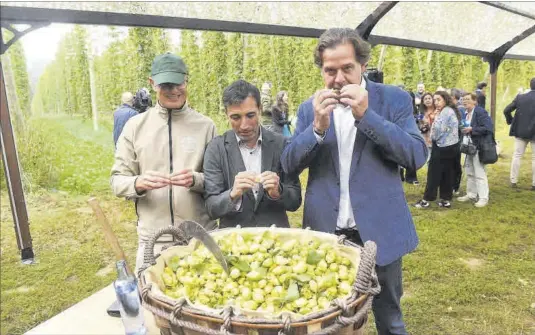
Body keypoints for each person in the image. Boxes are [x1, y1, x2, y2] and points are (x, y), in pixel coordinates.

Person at [280, 28, 427, 335]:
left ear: (362, 65)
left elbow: (415, 155)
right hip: (327, 233)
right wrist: (317, 129)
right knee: (328, 318)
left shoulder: (393, 99)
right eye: (329, 70)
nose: (338, 79)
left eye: (347, 68)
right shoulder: (310, 108)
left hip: (379, 231)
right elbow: (289, 164)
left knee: (390, 317)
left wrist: (367, 115)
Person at [111, 52, 217, 272]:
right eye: (166, 85)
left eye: (179, 83)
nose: (174, 90)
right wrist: (138, 183)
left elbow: (218, 181)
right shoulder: (135, 127)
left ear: (187, 80)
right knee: (153, 300)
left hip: (198, 237)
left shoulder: (206, 126)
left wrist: (195, 180)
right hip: (154, 240)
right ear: (152, 84)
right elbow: (117, 181)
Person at [203, 80, 301, 228]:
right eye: (236, 117)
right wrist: (232, 194)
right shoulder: (216, 149)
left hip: (276, 240)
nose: (244, 125)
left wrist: (278, 191)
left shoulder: (281, 144)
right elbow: (211, 208)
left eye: (250, 115)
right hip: (234, 242)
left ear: (260, 109)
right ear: (226, 114)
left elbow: (295, 201)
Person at [415, 91, 461, 209]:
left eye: (438, 99)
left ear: (445, 99)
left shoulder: (445, 112)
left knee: (433, 174)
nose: (436, 102)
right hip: (452, 146)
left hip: (441, 147)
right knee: (447, 173)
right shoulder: (451, 110)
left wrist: (435, 119)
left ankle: (426, 200)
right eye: (435, 100)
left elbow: (437, 132)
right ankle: (446, 199)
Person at [456, 92, 494, 206]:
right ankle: (471, 194)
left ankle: (483, 197)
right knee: (469, 171)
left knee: (479, 172)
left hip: (479, 146)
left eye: (467, 99)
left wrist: (472, 129)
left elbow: (488, 128)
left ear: (475, 101)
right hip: (468, 147)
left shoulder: (480, 112)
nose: (465, 101)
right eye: (463, 99)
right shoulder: (465, 113)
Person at [503, 77, 535, 190]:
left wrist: (510, 121)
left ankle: (513, 180)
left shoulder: (520, 97)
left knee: (517, 155)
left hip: (520, 130)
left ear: (530, 85)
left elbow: (506, 110)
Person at [451, 88, 466, 195]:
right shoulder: (452, 108)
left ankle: (455, 186)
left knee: (455, 164)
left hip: (457, 141)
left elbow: (462, 125)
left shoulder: (459, 109)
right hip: (452, 140)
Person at [417, 92, 436, 157]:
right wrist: (423, 126)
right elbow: (420, 124)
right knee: (429, 158)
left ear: (433, 100)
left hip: (436, 138)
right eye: (425, 99)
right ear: (423, 102)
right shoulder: (421, 112)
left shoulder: (437, 110)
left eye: (429, 98)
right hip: (426, 137)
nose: (427, 100)